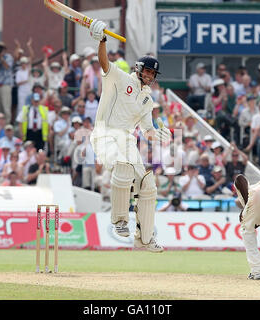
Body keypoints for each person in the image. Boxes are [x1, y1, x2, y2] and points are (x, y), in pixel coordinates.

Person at [88, 19, 171, 252]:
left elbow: (147, 131)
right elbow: (104, 64)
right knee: (123, 167)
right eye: (147, 70)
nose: (149, 75)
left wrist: (160, 135)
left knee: (148, 185)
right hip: (104, 134)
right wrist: (102, 41)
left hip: (126, 139)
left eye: (153, 73)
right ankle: (120, 221)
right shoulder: (121, 78)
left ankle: (144, 238)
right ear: (137, 68)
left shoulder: (148, 99)